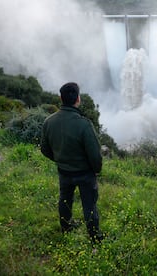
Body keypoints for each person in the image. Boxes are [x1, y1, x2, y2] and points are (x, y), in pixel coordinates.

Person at [41, 82, 103, 245]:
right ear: (78, 99)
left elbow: (45, 149)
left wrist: (60, 159)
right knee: (89, 204)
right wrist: (96, 170)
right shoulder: (84, 124)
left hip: (64, 171)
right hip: (84, 174)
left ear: (61, 98)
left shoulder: (49, 121)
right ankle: (95, 237)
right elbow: (95, 155)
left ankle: (66, 227)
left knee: (65, 200)